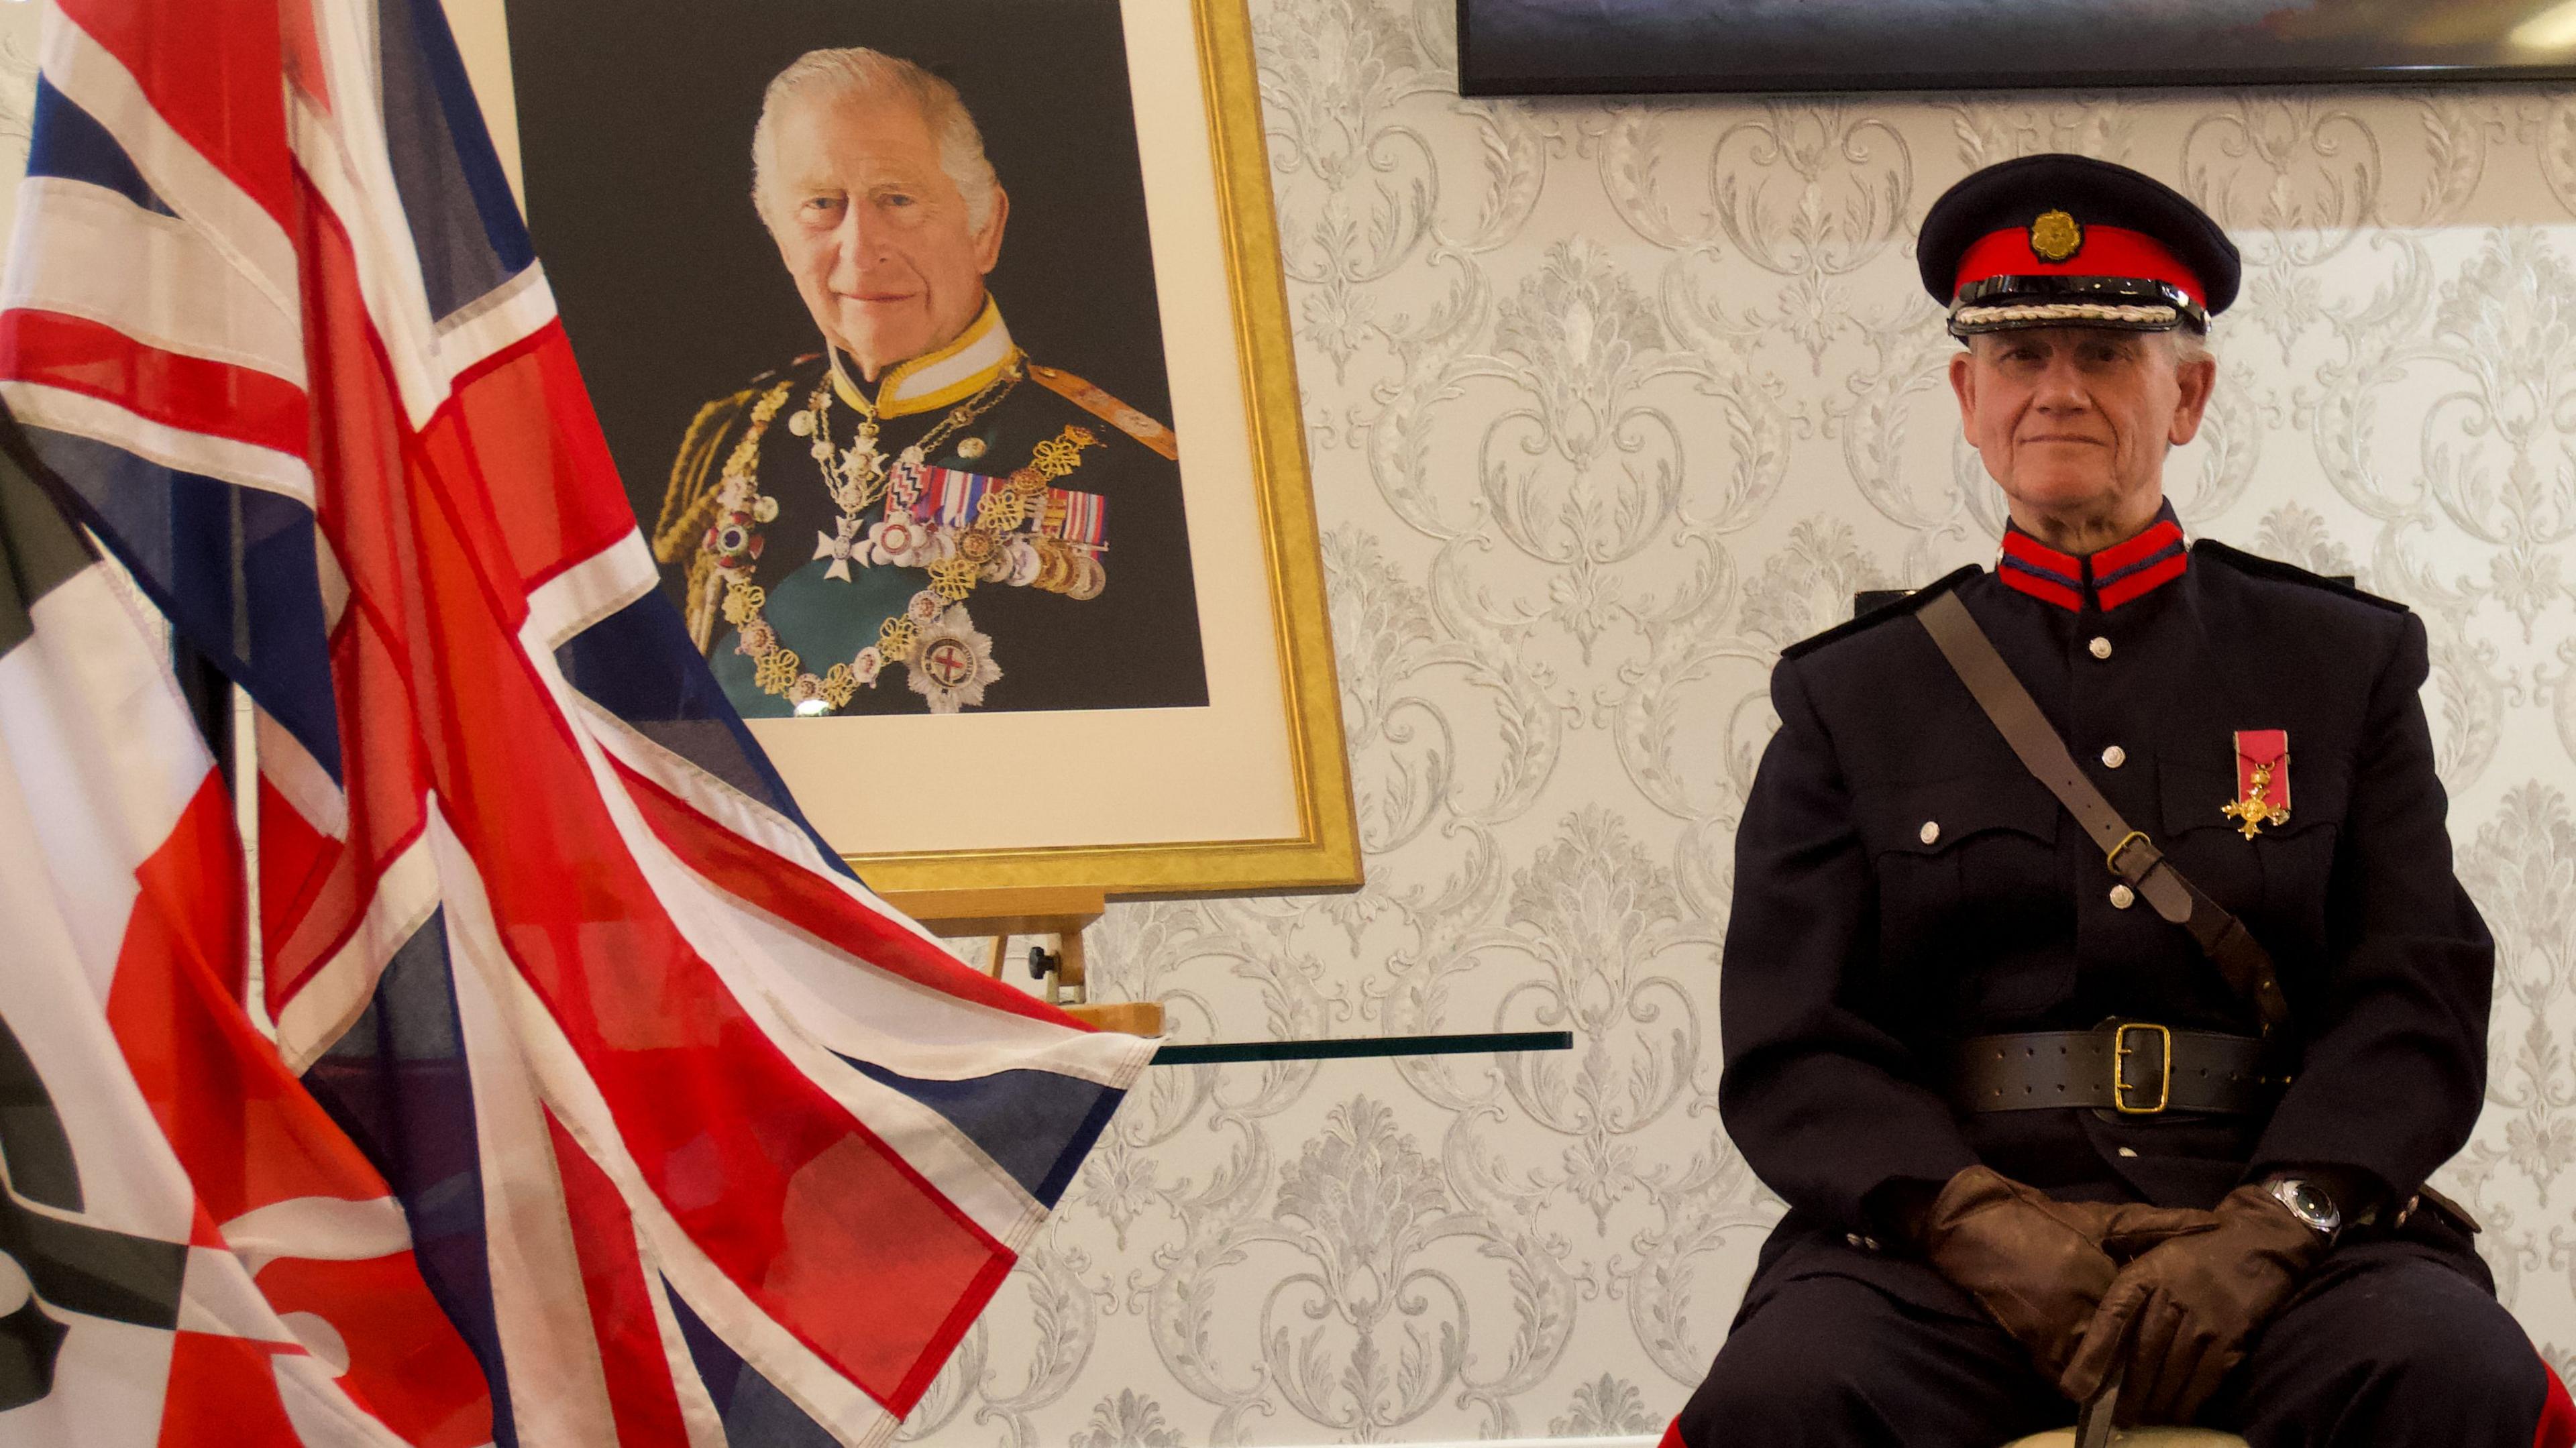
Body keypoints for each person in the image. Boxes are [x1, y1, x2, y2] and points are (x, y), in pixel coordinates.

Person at [1674, 155, 2576, 1446]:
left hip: (2270, 1224)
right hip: (1948, 1246)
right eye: (2021, 350)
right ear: (1966, 395)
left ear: (2189, 392)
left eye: (2104, 349)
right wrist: (1970, 1219)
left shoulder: (2337, 664)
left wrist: (2280, 1221)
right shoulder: (1856, 695)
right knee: (1786, 1397)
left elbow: (2415, 992)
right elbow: (1793, 1037)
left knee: (2450, 1370)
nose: (2058, 387)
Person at [651, 48, 1206, 716]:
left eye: (898, 199)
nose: (860, 248)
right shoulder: (737, 438)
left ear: (985, 229)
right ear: (777, 232)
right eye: (822, 204)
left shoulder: (1131, 473)